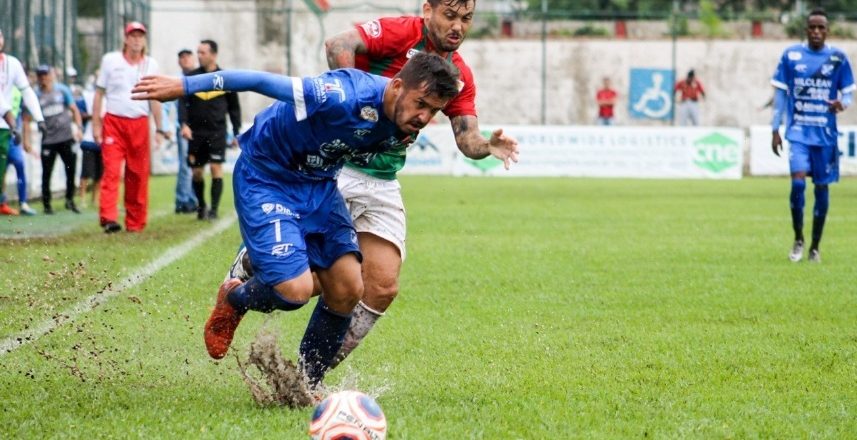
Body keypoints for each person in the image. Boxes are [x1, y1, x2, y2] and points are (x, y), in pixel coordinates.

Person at [132, 51, 461, 390]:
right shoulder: (341, 94)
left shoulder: (403, 126)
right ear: (395, 86)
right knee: (295, 291)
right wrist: (185, 85)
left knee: (349, 288)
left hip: (318, 185)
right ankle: (235, 298)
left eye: (433, 110)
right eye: (421, 103)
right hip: (267, 177)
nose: (424, 116)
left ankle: (304, 386)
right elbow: (257, 80)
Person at [308, 0, 518, 368]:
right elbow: (337, 44)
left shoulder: (459, 75)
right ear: (428, 10)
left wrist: (488, 146)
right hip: (337, 168)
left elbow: (467, 140)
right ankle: (244, 279)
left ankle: (308, 373)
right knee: (310, 277)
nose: (458, 26)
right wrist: (350, 97)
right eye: (449, 16)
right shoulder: (401, 33)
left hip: (382, 181)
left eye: (466, 19)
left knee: (382, 287)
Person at [771, 9, 854, 263]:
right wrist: (775, 129)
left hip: (825, 134)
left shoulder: (838, 58)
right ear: (805, 30)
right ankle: (798, 238)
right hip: (797, 132)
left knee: (821, 188)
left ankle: (815, 246)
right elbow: (780, 97)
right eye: (812, 27)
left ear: (827, 31)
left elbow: (848, 93)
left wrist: (842, 103)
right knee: (797, 182)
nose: (816, 32)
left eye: (821, 28)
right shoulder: (791, 56)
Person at [92, 21, 168, 233]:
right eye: (132, 36)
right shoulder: (110, 60)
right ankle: (108, 218)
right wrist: (96, 124)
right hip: (114, 121)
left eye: (140, 36)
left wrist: (160, 128)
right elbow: (99, 93)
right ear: (125, 39)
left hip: (140, 123)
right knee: (112, 170)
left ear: (144, 40)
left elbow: (155, 98)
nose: (136, 40)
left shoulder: (151, 65)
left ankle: (135, 222)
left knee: (138, 174)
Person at [179, 40, 241, 220]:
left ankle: (213, 210)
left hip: (217, 132)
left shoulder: (225, 78)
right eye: (198, 52)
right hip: (195, 133)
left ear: (214, 54)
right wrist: (183, 124)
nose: (199, 56)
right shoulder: (192, 77)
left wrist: (236, 132)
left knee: (216, 168)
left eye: (203, 52)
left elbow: (234, 108)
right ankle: (201, 206)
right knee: (197, 172)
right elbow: (182, 102)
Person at [22, 65, 83, 215]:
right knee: (46, 173)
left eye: (46, 74)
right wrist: (26, 140)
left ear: (51, 75)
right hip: (48, 140)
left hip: (66, 138)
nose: (44, 78)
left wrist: (79, 129)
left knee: (71, 170)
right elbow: (26, 120)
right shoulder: (34, 96)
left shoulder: (62, 90)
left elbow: (74, 110)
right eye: (40, 75)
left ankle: (70, 200)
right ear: (37, 77)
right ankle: (47, 204)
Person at [0, 27, 46, 216]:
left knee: (10, 166)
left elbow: (26, 91)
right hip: (8, 124)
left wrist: (40, 118)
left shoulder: (12, 64)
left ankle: (20, 202)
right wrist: (12, 121)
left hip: (4, 129)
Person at [2, 89, 36, 215]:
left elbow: (26, 118)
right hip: (2, 134)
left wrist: (27, 140)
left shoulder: (20, 90)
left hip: (13, 136)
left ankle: (23, 202)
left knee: (19, 165)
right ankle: (2, 203)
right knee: (2, 170)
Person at [174, 48, 198, 214]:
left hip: (199, 127)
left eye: (188, 57)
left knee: (195, 165)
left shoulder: (199, 78)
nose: (185, 60)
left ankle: (189, 199)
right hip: (183, 127)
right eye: (182, 57)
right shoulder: (177, 81)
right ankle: (184, 200)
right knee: (185, 165)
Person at [78, 74, 102, 209]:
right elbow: (79, 113)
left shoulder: (111, 97)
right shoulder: (87, 96)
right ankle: (82, 199)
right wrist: (94, 115)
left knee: (100, 173)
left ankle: (95, 199)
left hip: (104, 141)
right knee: (86, 172)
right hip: (89, 138)